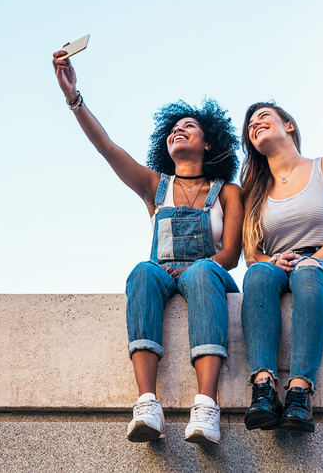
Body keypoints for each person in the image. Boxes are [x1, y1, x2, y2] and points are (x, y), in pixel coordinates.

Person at [52, 46, 242, 445]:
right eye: (174, 128)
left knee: (206, 268)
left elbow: (231, 254)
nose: (179, 130)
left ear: (209, 143)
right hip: (161, 273)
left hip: (206, 274)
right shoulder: (156, 186)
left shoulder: (228, 192)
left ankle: (206, 404)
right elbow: (107, 147)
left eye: (189, 126)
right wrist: (74, 98)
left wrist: (197, 266)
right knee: (142, 270)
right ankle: (147, 403)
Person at [239, 102, 323, 433]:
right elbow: (251, 254)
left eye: (262, 117)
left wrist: (313, 260)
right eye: (250, 125)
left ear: (288, 125)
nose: (254, 125)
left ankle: (299, 393)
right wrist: (272, 261)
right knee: (257, 273)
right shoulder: (255, 189)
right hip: (278, 265)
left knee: (308, 272)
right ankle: (263, 390)